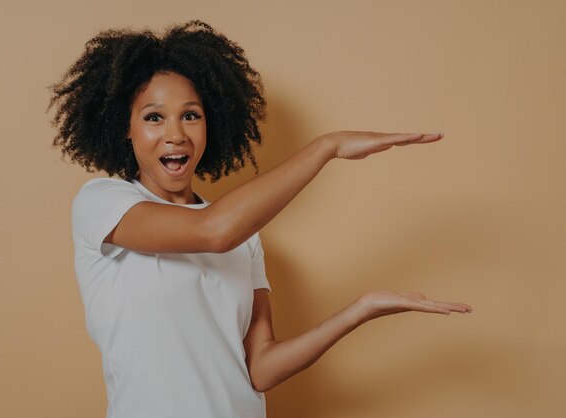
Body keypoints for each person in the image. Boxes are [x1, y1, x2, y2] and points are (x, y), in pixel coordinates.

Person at [47, 19, 472, 418]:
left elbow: (260, 369)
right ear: (125, 127)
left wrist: (360, 311)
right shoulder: (103, 203)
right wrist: (327, 146)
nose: (176, 133)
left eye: (191, 115)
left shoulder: (246, 237)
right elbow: (212, 231)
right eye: (154, 117)